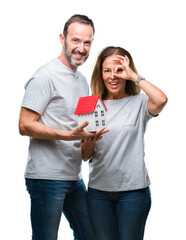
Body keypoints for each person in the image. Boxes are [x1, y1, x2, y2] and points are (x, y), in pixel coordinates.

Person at [19, 14, 107, 240]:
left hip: (73, 177)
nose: (81, 48)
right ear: (62, 38)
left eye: (87, 42)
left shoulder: (81, 80)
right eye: (75, 40)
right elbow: (24, 125)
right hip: (46, 178)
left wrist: (92, 136)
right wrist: (69, 136)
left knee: (91, 234)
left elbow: (78, 127)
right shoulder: (45, 76)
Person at [82, 46, 168, 240]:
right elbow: (86, 156)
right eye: (107, 71)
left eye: (118, 70)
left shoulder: (139, 102)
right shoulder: (92, 105)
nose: (113, 76)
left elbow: (161, 100)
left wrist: (134, 76)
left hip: (133, 194)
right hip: (98, 194)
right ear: (100, 73)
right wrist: (90, 139)